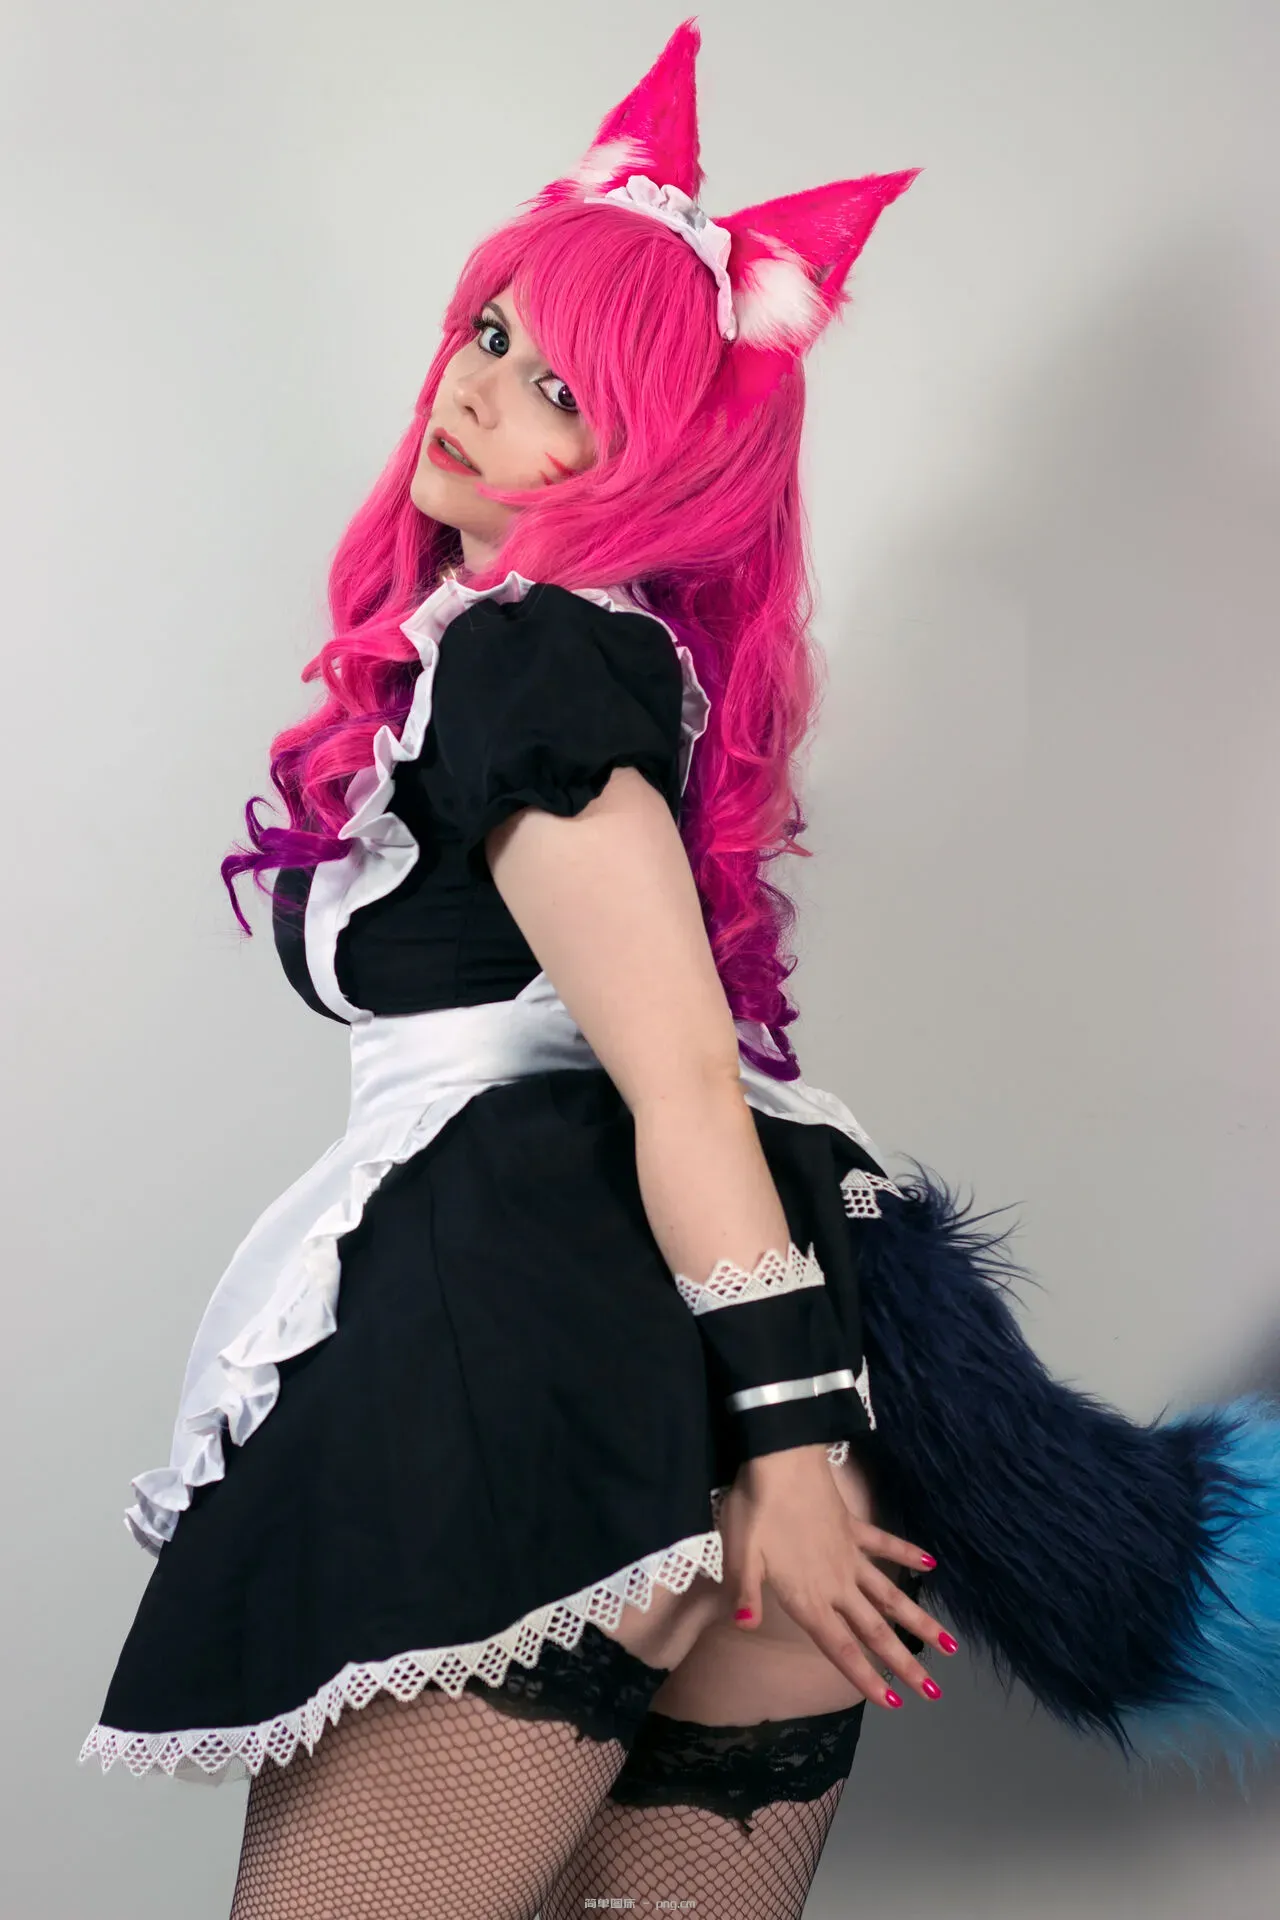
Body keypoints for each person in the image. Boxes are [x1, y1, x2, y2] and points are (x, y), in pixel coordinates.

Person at [79, 18, 1280, 1920]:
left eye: (559, 386)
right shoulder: (557, 657)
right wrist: (791, 1454)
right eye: (491, 334)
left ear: (652, 458)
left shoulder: (530, 654)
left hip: (554, 1408)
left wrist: (791, 1457)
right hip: (689, 1404)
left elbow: (686, 1079)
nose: (479, 391)